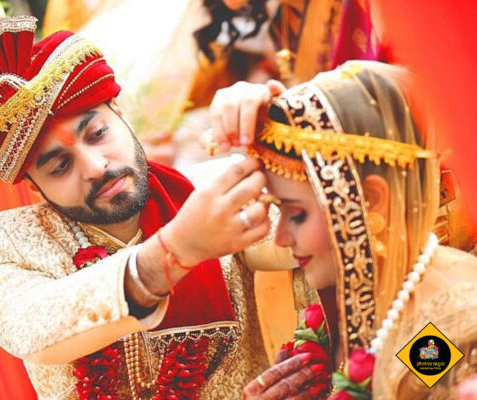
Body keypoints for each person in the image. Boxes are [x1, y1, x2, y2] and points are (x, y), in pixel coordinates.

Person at [0, 16, 295, 399]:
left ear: (121, 114)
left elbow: (311, 231)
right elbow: (25, 327)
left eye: (97, 134)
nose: (95, 167)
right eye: (60, 166)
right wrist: (176, 251)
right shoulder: (10, 240)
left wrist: (285, 127)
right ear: (33, 186)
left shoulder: (212, 190)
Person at [204, 61, 477, 398]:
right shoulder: (361, 293)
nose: (281, 238)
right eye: (278, 209)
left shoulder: (447, 328)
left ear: (372, 200)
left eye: (296, 213)